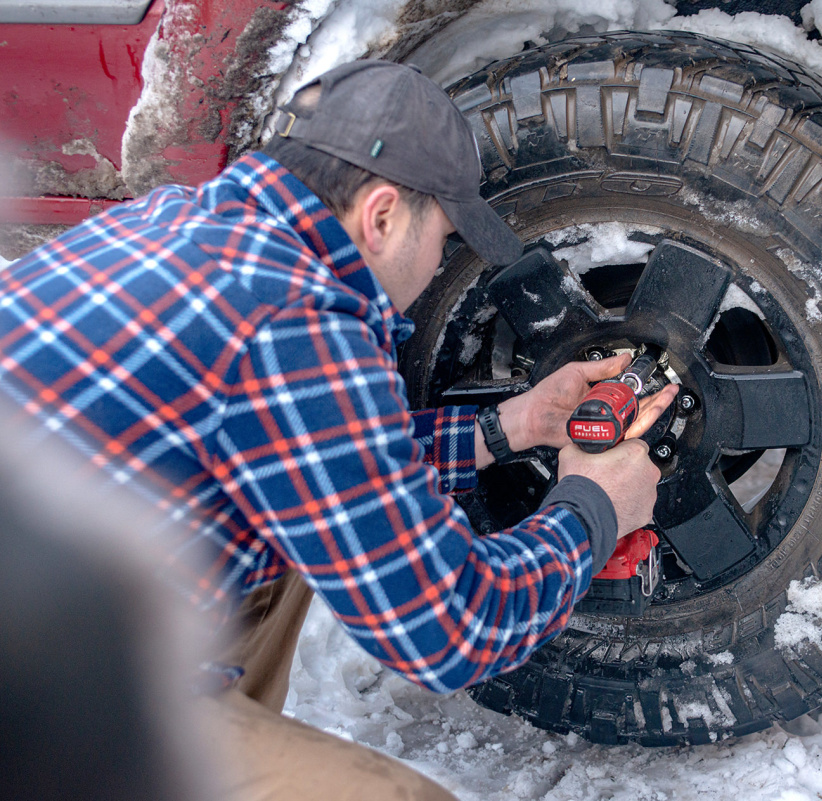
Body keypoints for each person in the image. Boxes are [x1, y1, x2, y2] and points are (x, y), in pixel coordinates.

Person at [0, 60, 676, 800]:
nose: (436, 268)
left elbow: (327, 458)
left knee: (289, 541)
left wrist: (513, 425)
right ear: (382, 215)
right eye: (443, 239)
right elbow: (448, 629)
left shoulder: (178, 224)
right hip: (37, 705)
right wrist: (593, 506)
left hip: (43, 605)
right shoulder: (295, 318)